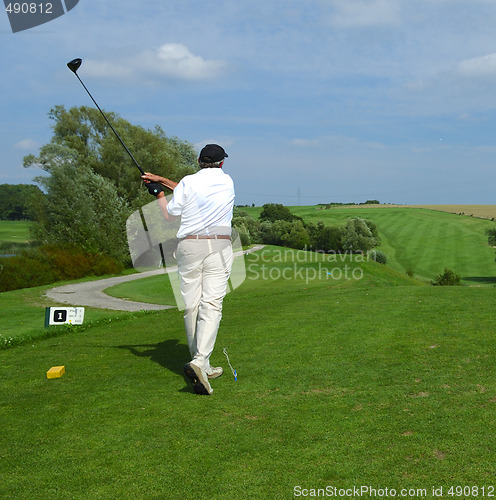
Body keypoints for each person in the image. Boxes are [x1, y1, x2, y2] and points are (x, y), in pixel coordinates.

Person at [141, 144, 235, 395]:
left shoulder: (188, 182)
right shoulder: (227, 181)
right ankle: (200, 361)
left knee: (191, 305)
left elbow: (170, 216)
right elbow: (194, 189)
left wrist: (158, 192)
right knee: (211, 304)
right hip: (218, 245)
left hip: (188, 247)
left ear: (198, 160)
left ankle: (201, 363)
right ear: (222, 163)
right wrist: (162, 181)